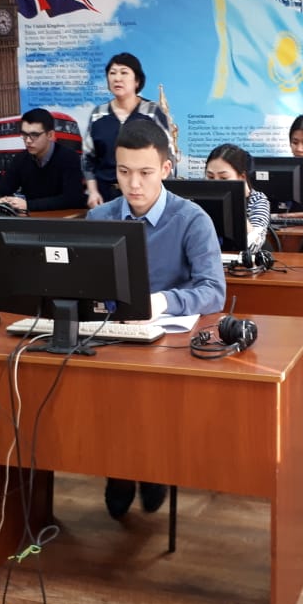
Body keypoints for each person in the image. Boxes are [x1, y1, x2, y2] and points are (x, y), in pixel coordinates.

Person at [87, 119, 226, 517]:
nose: (133, 184)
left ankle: (154, 470)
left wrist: (160, 303)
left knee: (151, 406)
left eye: (145, 173)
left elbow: (213, 290)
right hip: (112, 339)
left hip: (169, 344)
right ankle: (118, 471)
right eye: (124, 172)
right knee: (104, 399)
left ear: (166, 169)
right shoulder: (100, 218)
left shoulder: (192, 219)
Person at [82, 52, 171, 208]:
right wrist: (93, 191)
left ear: (137, 80)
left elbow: (168, 153)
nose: (117, 78)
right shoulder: (98, 114)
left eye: (124, 73)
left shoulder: (152, 112)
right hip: (105, 196)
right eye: (112, 73)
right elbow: (88, 158)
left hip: (143, 193)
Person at [0, 108, 86, 211]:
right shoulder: (21, 158)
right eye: (24, 134)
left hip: (63, 218)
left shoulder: (69, 157)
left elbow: (72, 199)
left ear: (50, 135)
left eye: (34, 135)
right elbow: (1, 189)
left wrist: (28, 205)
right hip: (32, 218)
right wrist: (1, 199)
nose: (28, 141)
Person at [204, 143, 271, 250]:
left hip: (244, 259)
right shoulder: (199, 201)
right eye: (210, 177)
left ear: (242, 177)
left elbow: (253, 245)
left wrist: (236, 204)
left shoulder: (257, 200)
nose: (215, 183)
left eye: (224, 178)